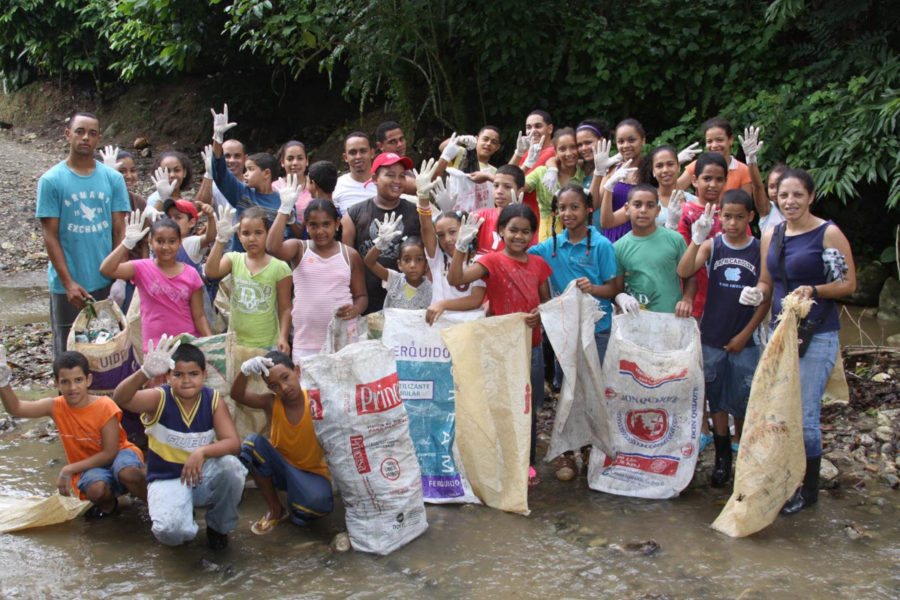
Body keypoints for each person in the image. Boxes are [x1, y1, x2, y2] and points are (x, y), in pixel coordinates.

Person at [748, 168, 856, 514]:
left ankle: (807, 491)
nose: (790, 201)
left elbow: (848, 284)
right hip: (780, 334)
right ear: (776, 199)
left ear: (810, 196)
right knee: (779, 409)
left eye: (797, 195)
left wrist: (815, 290)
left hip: (817, 333)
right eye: (783, 195)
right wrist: (755, 293)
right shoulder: (772, 234)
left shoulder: (828, 234)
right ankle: (783, 475)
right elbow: (768, 281)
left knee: (805, 414)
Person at [447, 204, 551, 486]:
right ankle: (501, 458)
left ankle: (526, 463)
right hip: (499, 347)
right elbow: (456, 280)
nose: (519, 236)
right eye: (513, 230)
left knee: (528, 406)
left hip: (532, 345)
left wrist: (541, 313)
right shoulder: (490, 261)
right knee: (500, 403)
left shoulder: (539, 264)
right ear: (500, 230)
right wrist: (460, 246)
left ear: (532, 235)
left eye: (526, 231)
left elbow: (548, 303)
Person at [113, 337, 245, 548]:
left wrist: (202, 452)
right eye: (178, 375)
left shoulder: (213, 400)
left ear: (204, 375)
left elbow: (233, 443)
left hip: (201, 476)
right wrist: (144, 373)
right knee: (170, 531)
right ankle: (183, 519)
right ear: (167, 377)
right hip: (167, 479)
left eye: (193, 374)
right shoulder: (159, 398)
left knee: (233, 468)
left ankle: (218, 527)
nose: (186, 381)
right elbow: (121, 398)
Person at [676, 190, 770, 487]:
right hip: (712, 336)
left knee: (743, 397)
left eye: (739, 217)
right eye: (727, 216)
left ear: (750, 217)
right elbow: (684, 269)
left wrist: (746, 333)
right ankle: (721, 458)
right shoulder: (713, 246)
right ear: (719, 217)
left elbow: (766, 297)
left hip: (746, 338)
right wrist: (696, 238)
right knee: (715, 399)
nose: (732, 223)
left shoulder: (759, 248)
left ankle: (740, 449)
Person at [528, 184, 617, 481]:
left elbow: (615, 288)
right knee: (567, 390)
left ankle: (592, 447)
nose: (568, 213)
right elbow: (520, 255)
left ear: (588, 209)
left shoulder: (601, 245)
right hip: (564, 333)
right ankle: (566, 452)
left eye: (574, 207)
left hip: (598, 331)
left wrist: (595, 289)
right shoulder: (550, 246)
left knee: (593, 388)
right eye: (562, 208)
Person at [0, 348, 146, 518]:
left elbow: (110, 453)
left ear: (88, 380)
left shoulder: (104, 406)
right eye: (65, 382)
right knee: (96, 490)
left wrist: (69, 469)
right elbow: (16, 408)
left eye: (78, 380)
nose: (72, 388)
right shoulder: (55, 406)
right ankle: (113, 506)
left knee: (127, 472)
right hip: (89, 466)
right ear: (56, 383)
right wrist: (4, 384)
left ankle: (154, 506)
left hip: (120, 455)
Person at [37, 112, 129, 357]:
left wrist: (119, 276)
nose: (85, 137)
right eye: (79, 131)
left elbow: (120, 230)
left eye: (92, 133)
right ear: (68, 135)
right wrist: (68, 283)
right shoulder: (51, 180)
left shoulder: (113, 179)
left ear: (99, 138)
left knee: (108, 350)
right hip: (68, 286)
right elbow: (50, 235)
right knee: (68, 354)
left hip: (105, 280)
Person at [231, 353, 333, 534]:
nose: (284, 388)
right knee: (252, 444)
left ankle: (296, 501)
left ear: (297, 371)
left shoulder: (316, 401)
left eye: (285, 378)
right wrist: (244, 371)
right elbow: (237, 395)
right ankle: (275, 509)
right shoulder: (271, 402)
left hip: (312, 474)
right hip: (280, 469)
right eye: (274, 386)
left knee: (315, 507)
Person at [268, 195, 367, 361]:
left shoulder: (350, 255)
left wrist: (356, 309)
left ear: (337, 223)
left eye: (326, 224)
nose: (320, 231)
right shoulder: (299, 249)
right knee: (307, 387)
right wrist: (284, 210)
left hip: (343, 339)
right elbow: (272, 247)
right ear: (306, 225)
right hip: (306, 342)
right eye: (313, 225)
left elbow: (361, 296)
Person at [99, 214, 212, 353]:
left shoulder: (191, 274)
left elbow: (199, 316)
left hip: (186, 344)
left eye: (172, 241)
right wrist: (126, 244)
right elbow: (106, 269)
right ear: (150, 242)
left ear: (179, 243)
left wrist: (210, 344)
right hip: (155, 347)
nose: (166, 247)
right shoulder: (141, 268)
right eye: (160, 241)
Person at [342, 152, 421, 313]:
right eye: (390, 175)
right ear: (375, 179)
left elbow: (430, 255)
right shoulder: (355, 214)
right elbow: (346, 262)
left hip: (406, 301)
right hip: (366, 301)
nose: (397, 181)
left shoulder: (415, 212)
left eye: (402, 176)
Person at [204, 205, 292, 352]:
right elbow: (211, 272)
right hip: (237, 342)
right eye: (246, 233)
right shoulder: (233, 259)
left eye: (258, 233)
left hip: (267, 342)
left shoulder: (280, 268)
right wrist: (220, 240)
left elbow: (285, 308)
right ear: (238, 235)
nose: (252, 239)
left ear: (267, 234)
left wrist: (283, 337)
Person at [413, 159, 486, 323]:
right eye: (440, 235)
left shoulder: (478, 260)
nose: (447, 239)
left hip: (469, 327)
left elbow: (475, 300)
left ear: (465, 228)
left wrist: (443, 304)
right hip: (439, 327)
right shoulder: (438, 257)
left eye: (452, 232)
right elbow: (426, 228)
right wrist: (423, 198)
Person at [208, 105, 289, 250]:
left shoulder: (283, 200)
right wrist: (217, 138)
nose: (245, 174)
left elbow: (286, 237)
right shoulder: (242, 193)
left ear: (266, 173)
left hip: (269, 265)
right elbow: (220, 174)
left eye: (250, 169)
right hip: (240, 264)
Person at [613, 185, 696, 317]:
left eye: (650, 205)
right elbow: (617, 289)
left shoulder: (675, 239)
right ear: (627, 209)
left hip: (671, 317)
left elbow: (690, 276)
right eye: (637, 205)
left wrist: (687, 300)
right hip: (637, 319)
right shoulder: (618, 247)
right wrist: (621, 297)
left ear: (658, 210)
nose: (643, 210)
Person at [523, 128, 585, 241]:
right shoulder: (542, 172)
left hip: (577, 237)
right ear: (556, 152)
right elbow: (516, 186)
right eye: (562, 149)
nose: (568, 153)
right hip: (548, 237)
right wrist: (526, 164)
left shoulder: (584, 174)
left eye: (573, 147)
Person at [593, 118, 647, 242]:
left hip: (638, 237)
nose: (626, 145)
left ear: (643, 140)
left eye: (631, 140)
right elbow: (593, 205)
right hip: (612, 236)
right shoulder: (612, 170)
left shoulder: (649, 171)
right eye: (621, 141)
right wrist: (599, 172)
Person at [676, 117, 753, 197]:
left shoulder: (743, 170)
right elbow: (671, 192)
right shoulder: (697, 165)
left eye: (719, 140)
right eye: (709, 141)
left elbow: (745, 203)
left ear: (730, 140)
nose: (714, 145)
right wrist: (674, 163)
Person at [364, 229, 433, 310]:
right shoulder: (394, 279)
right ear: (399, 264)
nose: (412, 265)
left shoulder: (431, 288)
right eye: (407, 260)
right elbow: (369, 262)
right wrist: (380, 244)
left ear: (426, 264)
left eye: (419, 259)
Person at [509, 110, 556, 221]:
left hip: (541, 218)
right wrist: (518, 153)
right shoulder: (527, 152)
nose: (533, 131)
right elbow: (505, 175)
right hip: (522, 215)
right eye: (529, 127)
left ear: (550, 129)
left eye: (538, 126)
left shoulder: (553, 152)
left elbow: (512, 184)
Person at [472, 164, 526, 255]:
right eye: (496, 186)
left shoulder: (527, 222)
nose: (499, 191)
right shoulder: (478, 216)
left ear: (520, 191)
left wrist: (516, 220)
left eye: (507, 187)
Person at [195, 139, 247, 213]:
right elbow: (198, 209)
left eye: (237, 156)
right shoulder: (213, 186)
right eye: (227, 156)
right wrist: (209, 174)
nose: (232, 160)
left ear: (245, 158)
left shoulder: (253, 185)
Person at [333, 132, 376, 212]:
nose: (358, 156)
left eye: (363, 151)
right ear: (345, 157)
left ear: (372, 153)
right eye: (353, 152)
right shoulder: (336, 187)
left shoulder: (385, 183)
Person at [272, 141, 312, 220]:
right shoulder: (275, 187)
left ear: (306, 161)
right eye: (290, 159)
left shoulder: (315, 184)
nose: (295, 163)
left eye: (300, 158)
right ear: (282, 162)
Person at [758, 163, 789, 233]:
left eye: (779, 186)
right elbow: (757, 186)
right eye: (771, 187)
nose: (775, 191)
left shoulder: (797, 210)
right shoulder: (767, 209)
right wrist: (751, 161)